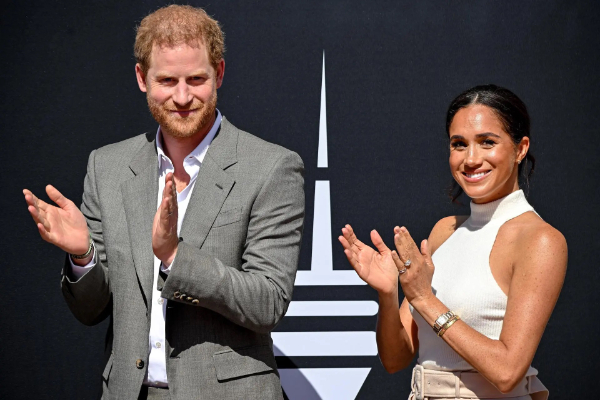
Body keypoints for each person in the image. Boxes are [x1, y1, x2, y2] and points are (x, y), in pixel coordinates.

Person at [22, 5, 304, 400]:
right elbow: (91, 310)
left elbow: (268, 301)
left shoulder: (272, 167)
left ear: (219, 74)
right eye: (167, 80)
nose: (183, 96)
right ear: (142, 78)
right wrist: (83, 256)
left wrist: (175, 257)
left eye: (197, 79)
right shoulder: (108, 167)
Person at [339, 85, 567, 400]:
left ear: (520, 148)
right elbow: (395, 360)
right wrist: (389, 294)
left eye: (487, 142)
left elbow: (507, 372)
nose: (471, 159)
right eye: (459, 144)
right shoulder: (444, 231)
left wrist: (424, 299)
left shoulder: (540, 240)